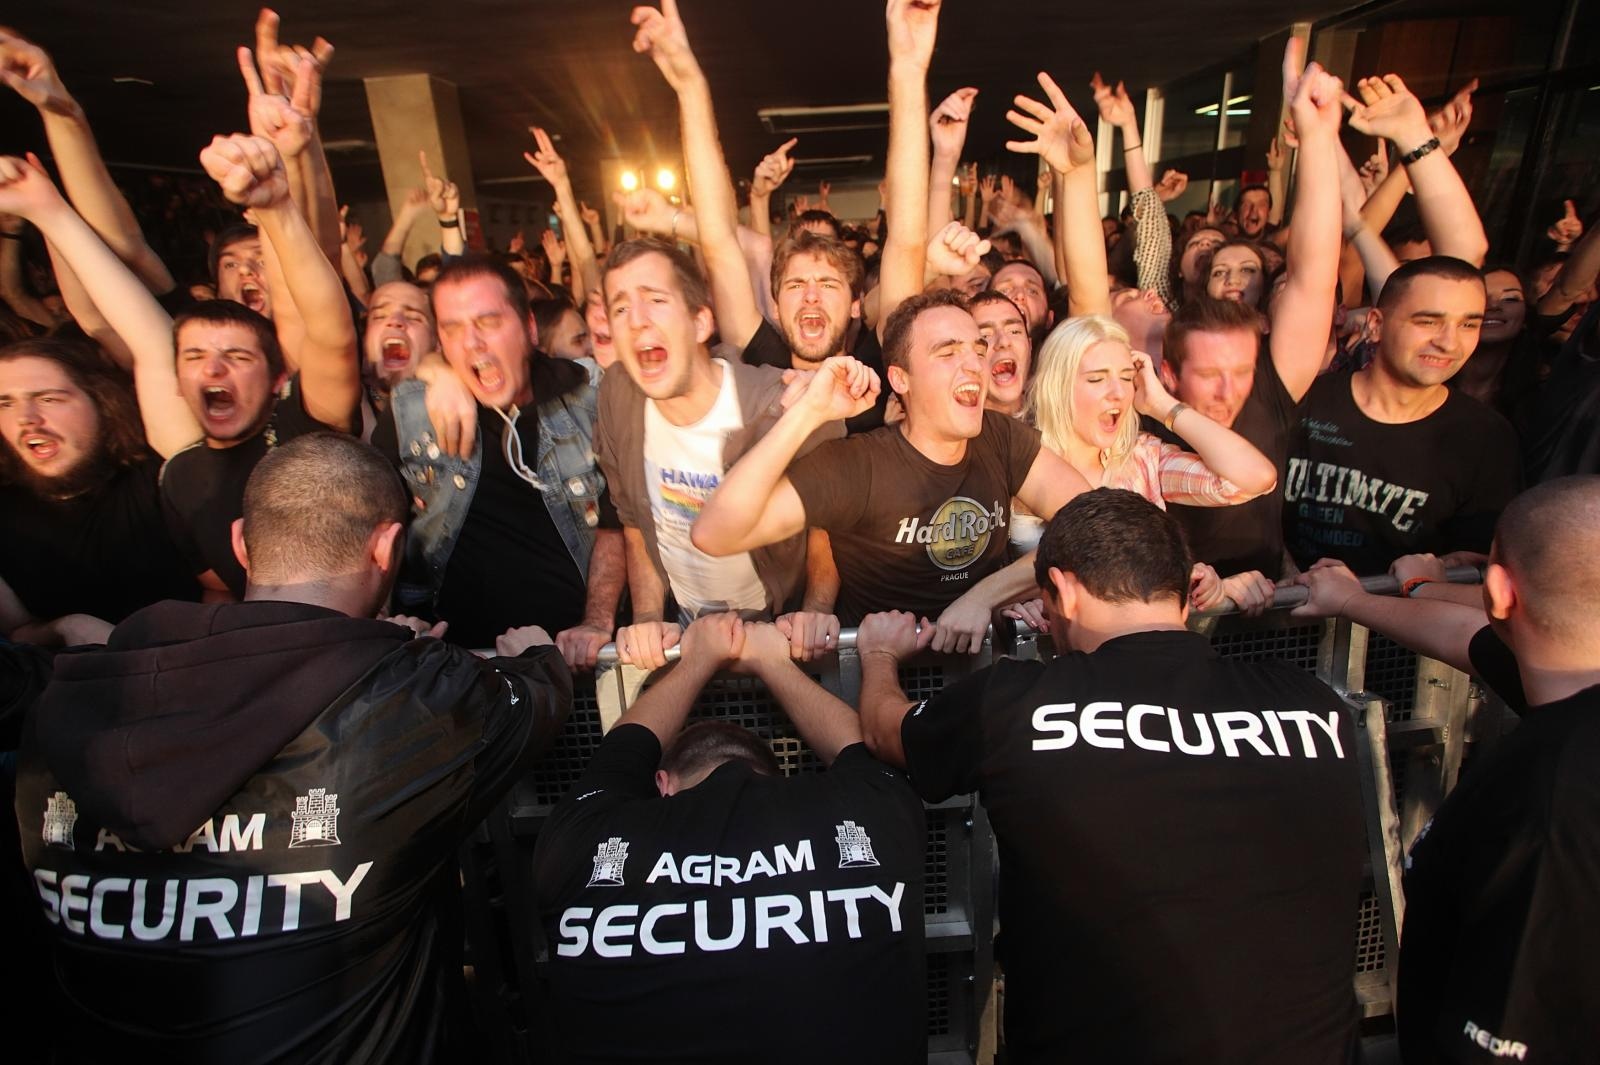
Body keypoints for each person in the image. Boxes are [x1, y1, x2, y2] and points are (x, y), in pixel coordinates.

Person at [14, 431, 572, 1063]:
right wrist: (530, 655)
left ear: (240, 544)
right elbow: (533, 700)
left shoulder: (62, 710)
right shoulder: (412, 704)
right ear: (386, 548)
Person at [855, 488, 1365, 1064]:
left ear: (1065, 590)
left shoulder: (1016, 703)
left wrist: (878, 656)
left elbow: (886, 731)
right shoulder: (1311, 703)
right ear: (1183, 588)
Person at [1292, 476, 1600, 1064]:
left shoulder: (1548, 801)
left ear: (1498, 591)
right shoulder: (1568, 686)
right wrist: (1357, 600)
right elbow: (1470, 638)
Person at [532, 611, 926, 1065]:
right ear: (775, 779)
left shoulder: (591, 842)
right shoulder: (864, 821)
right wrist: (772, 662)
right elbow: (864, 754)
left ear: (661, 784)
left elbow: (621, 754)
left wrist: (696, 660)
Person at [372, 255, 625, 668]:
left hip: (576, 663)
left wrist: (596, 622)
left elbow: (617, 525)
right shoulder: (411, 414)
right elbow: (376, 529)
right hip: (455, 670)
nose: (472, 343)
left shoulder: (589, 398)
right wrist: (387, 622)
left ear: (529, 328)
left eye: (488, 322)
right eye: (453, 329)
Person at [1283, 256, 1519, 574]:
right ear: (1376, 324)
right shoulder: (1305, 401)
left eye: (1468, 325)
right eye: (1428, 321)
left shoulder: (1486, 437)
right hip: (1278, 601)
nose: (1448, 342)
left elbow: (1477, 561)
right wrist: (1287, 575)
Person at [0, 337, 198, 641]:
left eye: (49, 399)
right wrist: (67, 627)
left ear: (102, 402)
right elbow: (17, 632)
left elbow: (155, 347)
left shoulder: (159, 476)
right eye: (5, 404)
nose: (26, 418)